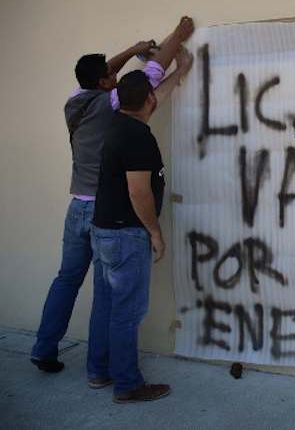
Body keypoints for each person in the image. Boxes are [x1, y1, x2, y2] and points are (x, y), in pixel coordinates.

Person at [30, 17, 195, 376]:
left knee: (66, 279)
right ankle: (100, 370)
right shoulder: (115, 104)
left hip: (76, 208)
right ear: (106, 84)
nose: (115, 74)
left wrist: (133, 49)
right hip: (104, 213)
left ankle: (44, 348)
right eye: (110, 74)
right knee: (107, 296)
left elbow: (102, 74)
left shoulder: (75, 102)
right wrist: (178, 35)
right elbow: (155, 71)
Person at [90, 47, 193, 403]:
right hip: (126, 234)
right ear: (146, 99)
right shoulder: (137, 137)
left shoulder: (120, 122)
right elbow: (139, 192)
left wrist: (180, 74)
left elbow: (154, 98)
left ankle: (99, 370)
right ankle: (128, 384)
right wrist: (155, 232)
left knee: (106, 307)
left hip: (104, 230)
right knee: (127, 313)